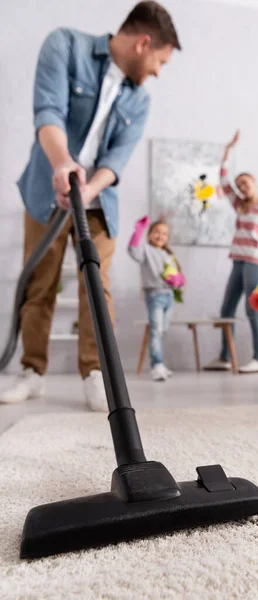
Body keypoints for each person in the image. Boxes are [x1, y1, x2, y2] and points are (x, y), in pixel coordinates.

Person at [0, 1, 181, 410]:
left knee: (96, 284)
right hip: (46, 186)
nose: (157, 72)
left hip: (98, 197)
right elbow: (47, 112)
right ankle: (32, 371)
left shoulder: (140, 100)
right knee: (39, 282)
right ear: (144, 43)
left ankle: (96, 373)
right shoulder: (65, 45)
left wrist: (86, 187)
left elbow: (115, 161)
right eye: (161, 62)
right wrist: (63, 163)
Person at [204, 130, 258, 374]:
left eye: (245, 183)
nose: (241, 187)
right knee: (227, 310)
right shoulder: (239, 205)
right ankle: (225, 357)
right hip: (238, 261)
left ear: (254, 182)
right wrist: (227, 152)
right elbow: (224, 181)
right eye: (239, 185)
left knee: (252, 309)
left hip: (256, 262)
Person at [127, 216, 185, 381]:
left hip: (169, 296)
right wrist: (138, 231)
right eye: (157, 232)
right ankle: (156, 365)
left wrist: (179, 280)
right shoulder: (145, 250)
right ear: (149, 234)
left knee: (163, 331)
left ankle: (160, 364)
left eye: (165, 234)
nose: (161, 236)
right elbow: (133, 251)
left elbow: (177, 275)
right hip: (154, 295)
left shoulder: (168, 253)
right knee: (156, 331)